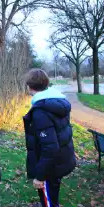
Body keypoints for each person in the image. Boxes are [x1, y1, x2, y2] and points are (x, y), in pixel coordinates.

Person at [23, 69, 76, 207]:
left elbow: (50, 147)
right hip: (59, 161)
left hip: (50, 167)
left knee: (48, 201)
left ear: (30, 86)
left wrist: (40, 176)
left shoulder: (41, 111)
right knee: (52, 195)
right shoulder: (56, 101)